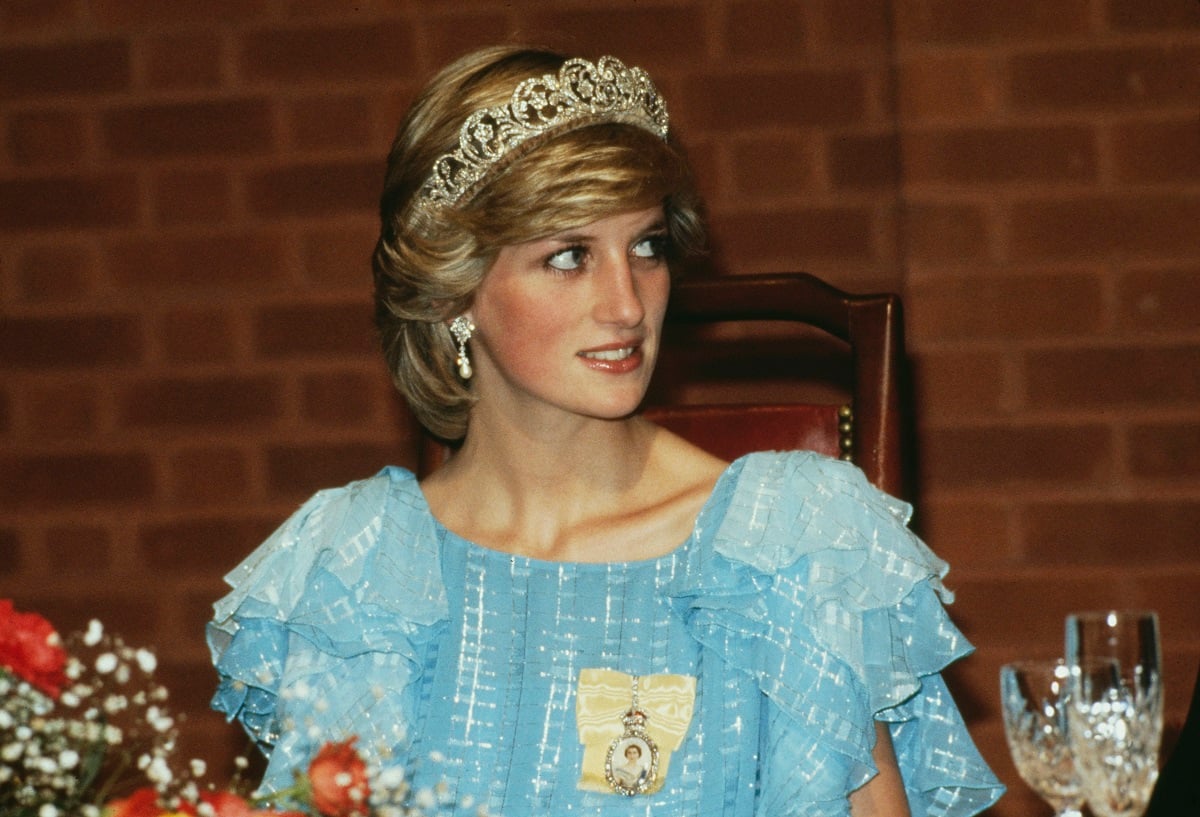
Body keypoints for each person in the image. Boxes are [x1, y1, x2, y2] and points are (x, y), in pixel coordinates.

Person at [207, 45, 1004, 816]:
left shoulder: (781, 542)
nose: (628, 304)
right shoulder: (359, 568)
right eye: (569, 256)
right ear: (454, 291)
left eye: (647, 247)